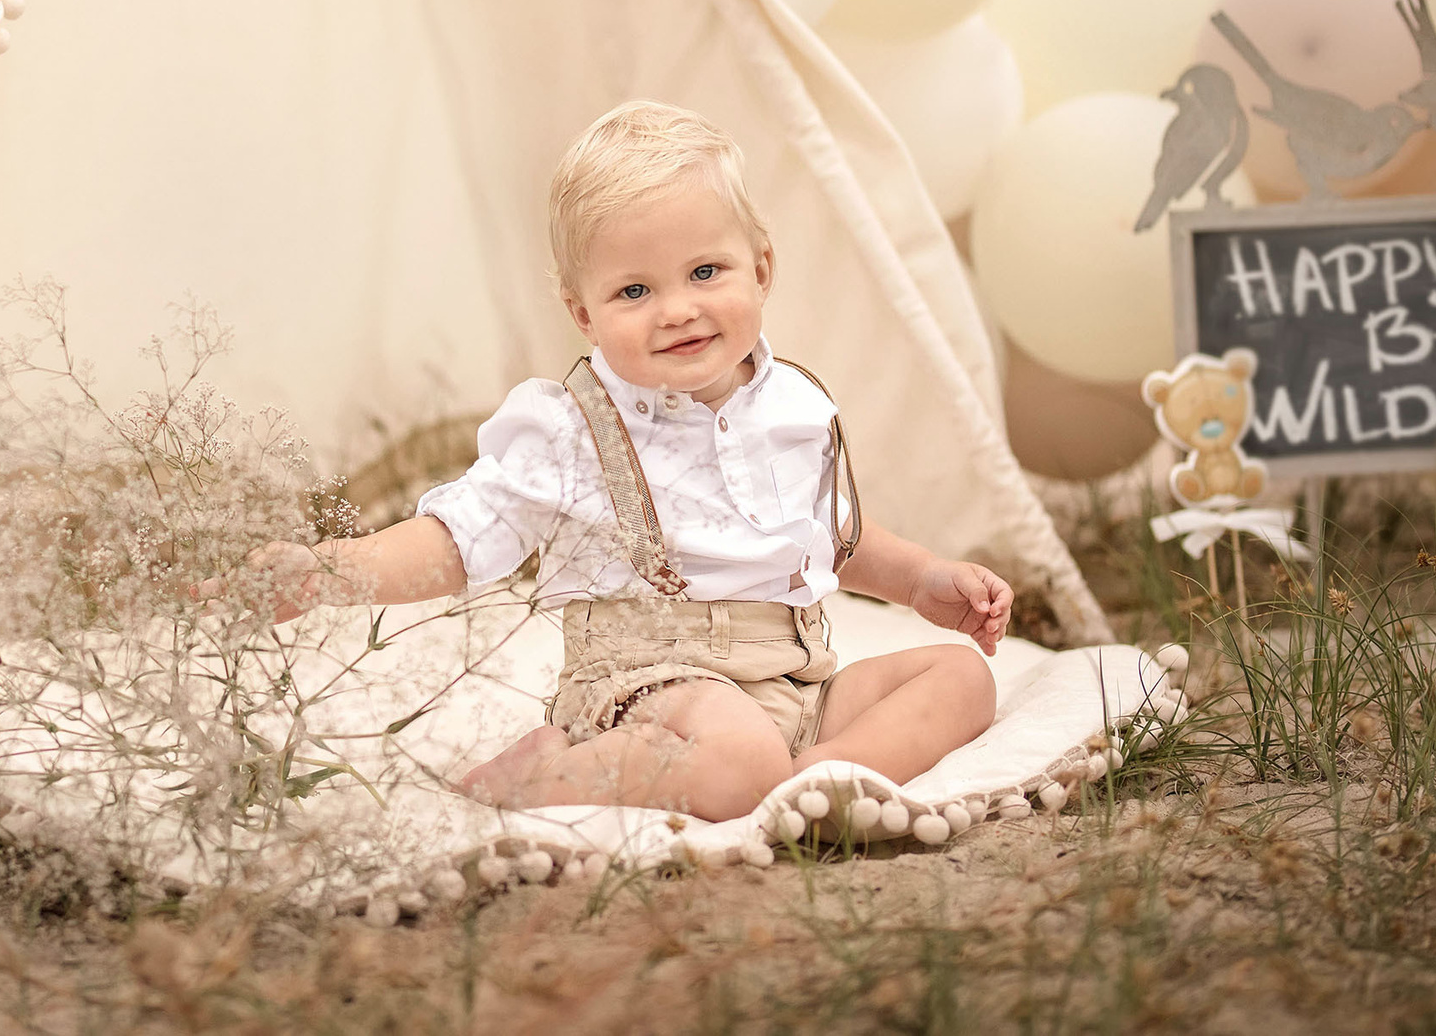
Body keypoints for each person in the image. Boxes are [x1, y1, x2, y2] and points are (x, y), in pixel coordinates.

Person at [226, 101, 1009, 821]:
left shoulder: (793, 405)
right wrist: (332, 571)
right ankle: (543, 776)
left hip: (797, 680)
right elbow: (460, 539)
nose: (677, 308)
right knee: (736, 757)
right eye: (634, 289)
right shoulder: (571, 427)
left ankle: (822, 776)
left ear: (761, 269)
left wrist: (917, 578)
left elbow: (830, 537)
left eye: (706, 272)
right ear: (584, 314)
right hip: (650, 686)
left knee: (962, 676)